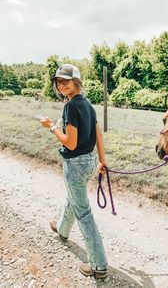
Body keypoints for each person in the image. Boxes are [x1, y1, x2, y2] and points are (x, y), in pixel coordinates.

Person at [39, 64, 108, 279]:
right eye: (58, 82)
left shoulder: (70, 107)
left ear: (76, 82)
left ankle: (99, 266)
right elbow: (97, 133)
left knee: (84, 213)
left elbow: (70, 143)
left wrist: (51, 127)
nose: (61, 85)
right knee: (74, 198)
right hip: (89, 162)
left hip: (75, 164)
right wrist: (102, 161)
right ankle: (62, 228)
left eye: (65, 81)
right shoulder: (88, 104)